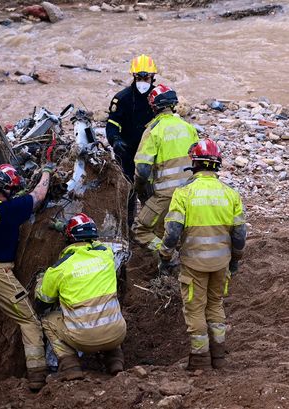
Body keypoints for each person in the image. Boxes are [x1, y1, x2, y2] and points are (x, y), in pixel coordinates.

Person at [0, 163, 54, 391]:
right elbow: (39, 196)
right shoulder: (11, 210)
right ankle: (37, 375)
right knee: (29, 320)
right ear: (7, 189)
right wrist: (47, 173)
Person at [159, 139, 246, 370]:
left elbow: (173, 232)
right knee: (216, 305)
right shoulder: (231, 195)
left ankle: (199, 360)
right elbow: (239, 235)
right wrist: (235, 260)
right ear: (217, 165)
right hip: (221, 263)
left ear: (194, 165)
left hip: (193, 263)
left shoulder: (184, 193)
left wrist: (165, 256)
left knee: (195, 309)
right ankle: (219, 357)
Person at [35, 213, 126, 380]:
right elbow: (96, 244)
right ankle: (115, 362)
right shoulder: (106, 255)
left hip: (84, 340)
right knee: (108, 315)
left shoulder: (59, 268)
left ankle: (70, 367)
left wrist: (41, 280)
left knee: (48, 319)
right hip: (117, 333)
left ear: (70, 238)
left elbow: (42, 303)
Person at [131, 84, 199, 264]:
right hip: (191, 192)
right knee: (177, 228)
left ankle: (169, 258)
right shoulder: (188, 128)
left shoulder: (153, 130)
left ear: (153, 106)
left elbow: (143, 170)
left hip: (165, 194)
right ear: (174, 104)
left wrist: (140, 190)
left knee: (141, 230)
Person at [106, 54, 158, 226]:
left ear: (153, 77)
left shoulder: (159, 98)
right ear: (133, 77)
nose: (143, 81)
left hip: (152, 153)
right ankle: (127, 224)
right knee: (128, 191)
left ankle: (150, 225)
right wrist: (115, 140)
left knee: (153, 192)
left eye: (146, 77)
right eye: (139, 77)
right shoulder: (122, 98)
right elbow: (112, 124)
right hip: (127, 152)